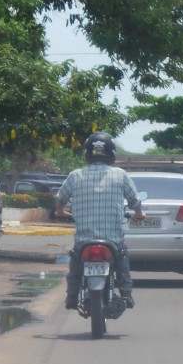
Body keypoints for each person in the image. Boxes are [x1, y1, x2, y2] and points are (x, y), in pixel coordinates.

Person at [55, 133, 145, 310]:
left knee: (75, 265)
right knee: (122, 261)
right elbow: (134, 200)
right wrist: (139, 214)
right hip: (112, 241)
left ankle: (72, 296)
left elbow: (60, 199)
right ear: (111, 153)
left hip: (84, 241)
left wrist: (59, 211)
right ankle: (126, 293)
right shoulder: (120, 175)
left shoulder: (75, 176)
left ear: (88, 153)